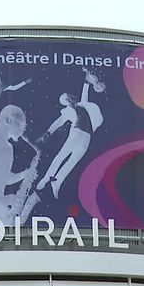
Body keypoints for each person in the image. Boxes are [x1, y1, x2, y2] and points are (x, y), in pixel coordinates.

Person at [35, 68, 104, 198]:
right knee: (61, 156)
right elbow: (58, 122)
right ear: (65, 103)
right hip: (76, 134)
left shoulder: (82, 104)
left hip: (87, 138)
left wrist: (86, 75)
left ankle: (57, 183)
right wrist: (48, 133)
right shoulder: (67, 111)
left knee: (72, 162)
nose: (68, 99)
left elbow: (85, 90)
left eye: (67, 96)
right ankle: (46, 178)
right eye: (65, 99)